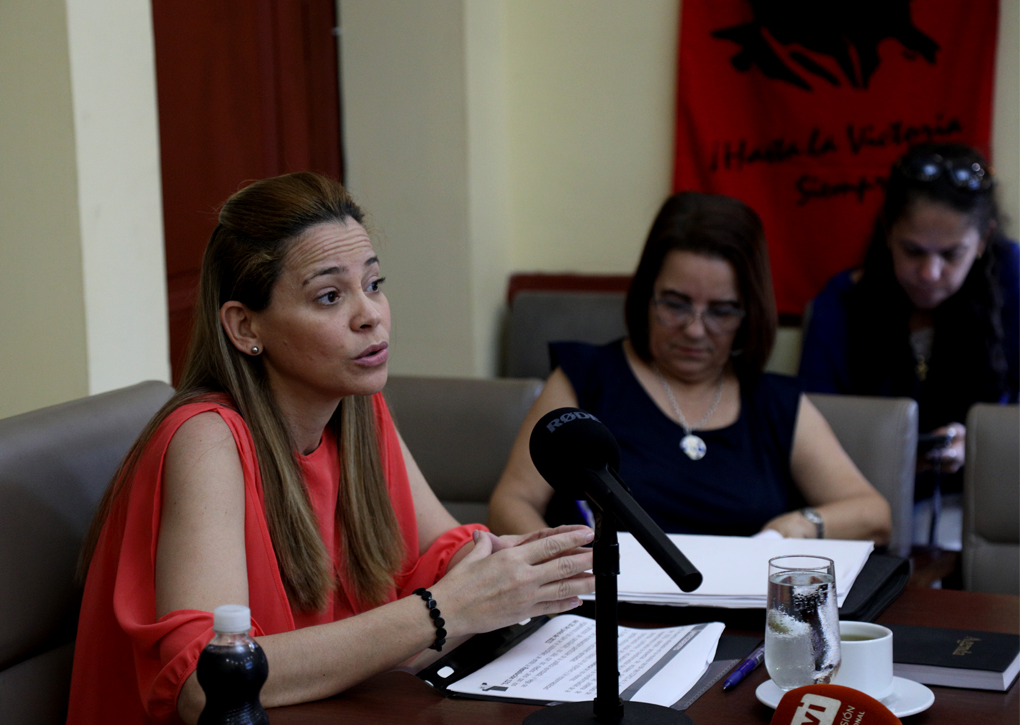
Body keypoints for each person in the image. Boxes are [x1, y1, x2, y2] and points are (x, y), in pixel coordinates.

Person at [67, 173, 595, 725]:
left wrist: (512, 565)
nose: (371, 315)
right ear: (245, 326)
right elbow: (209, 682)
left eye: (374, 284)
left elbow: (444, 549)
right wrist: (446, 610)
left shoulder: (358, 408)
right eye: (329, 296)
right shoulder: (207, 439)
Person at [488, 192, 891, 543]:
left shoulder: (774, 404)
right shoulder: (586, 379)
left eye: (721, 311)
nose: (695, 330)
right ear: (647, 295)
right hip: (605, 598)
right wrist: (566, 562)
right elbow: (512, 501)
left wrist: (799, 526)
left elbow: (874, 514)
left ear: (749, 313)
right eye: (675, 304)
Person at [798, 142, 1018, 546]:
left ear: (983, 239)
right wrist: (891, 455)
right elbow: (812, 430)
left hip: (989, 506)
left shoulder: (1013, 284)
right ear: (888, 232)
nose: (930, 273)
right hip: (872, 506)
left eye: (951, 254)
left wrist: (980, 442)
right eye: (913, 251)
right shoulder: (840, 305)